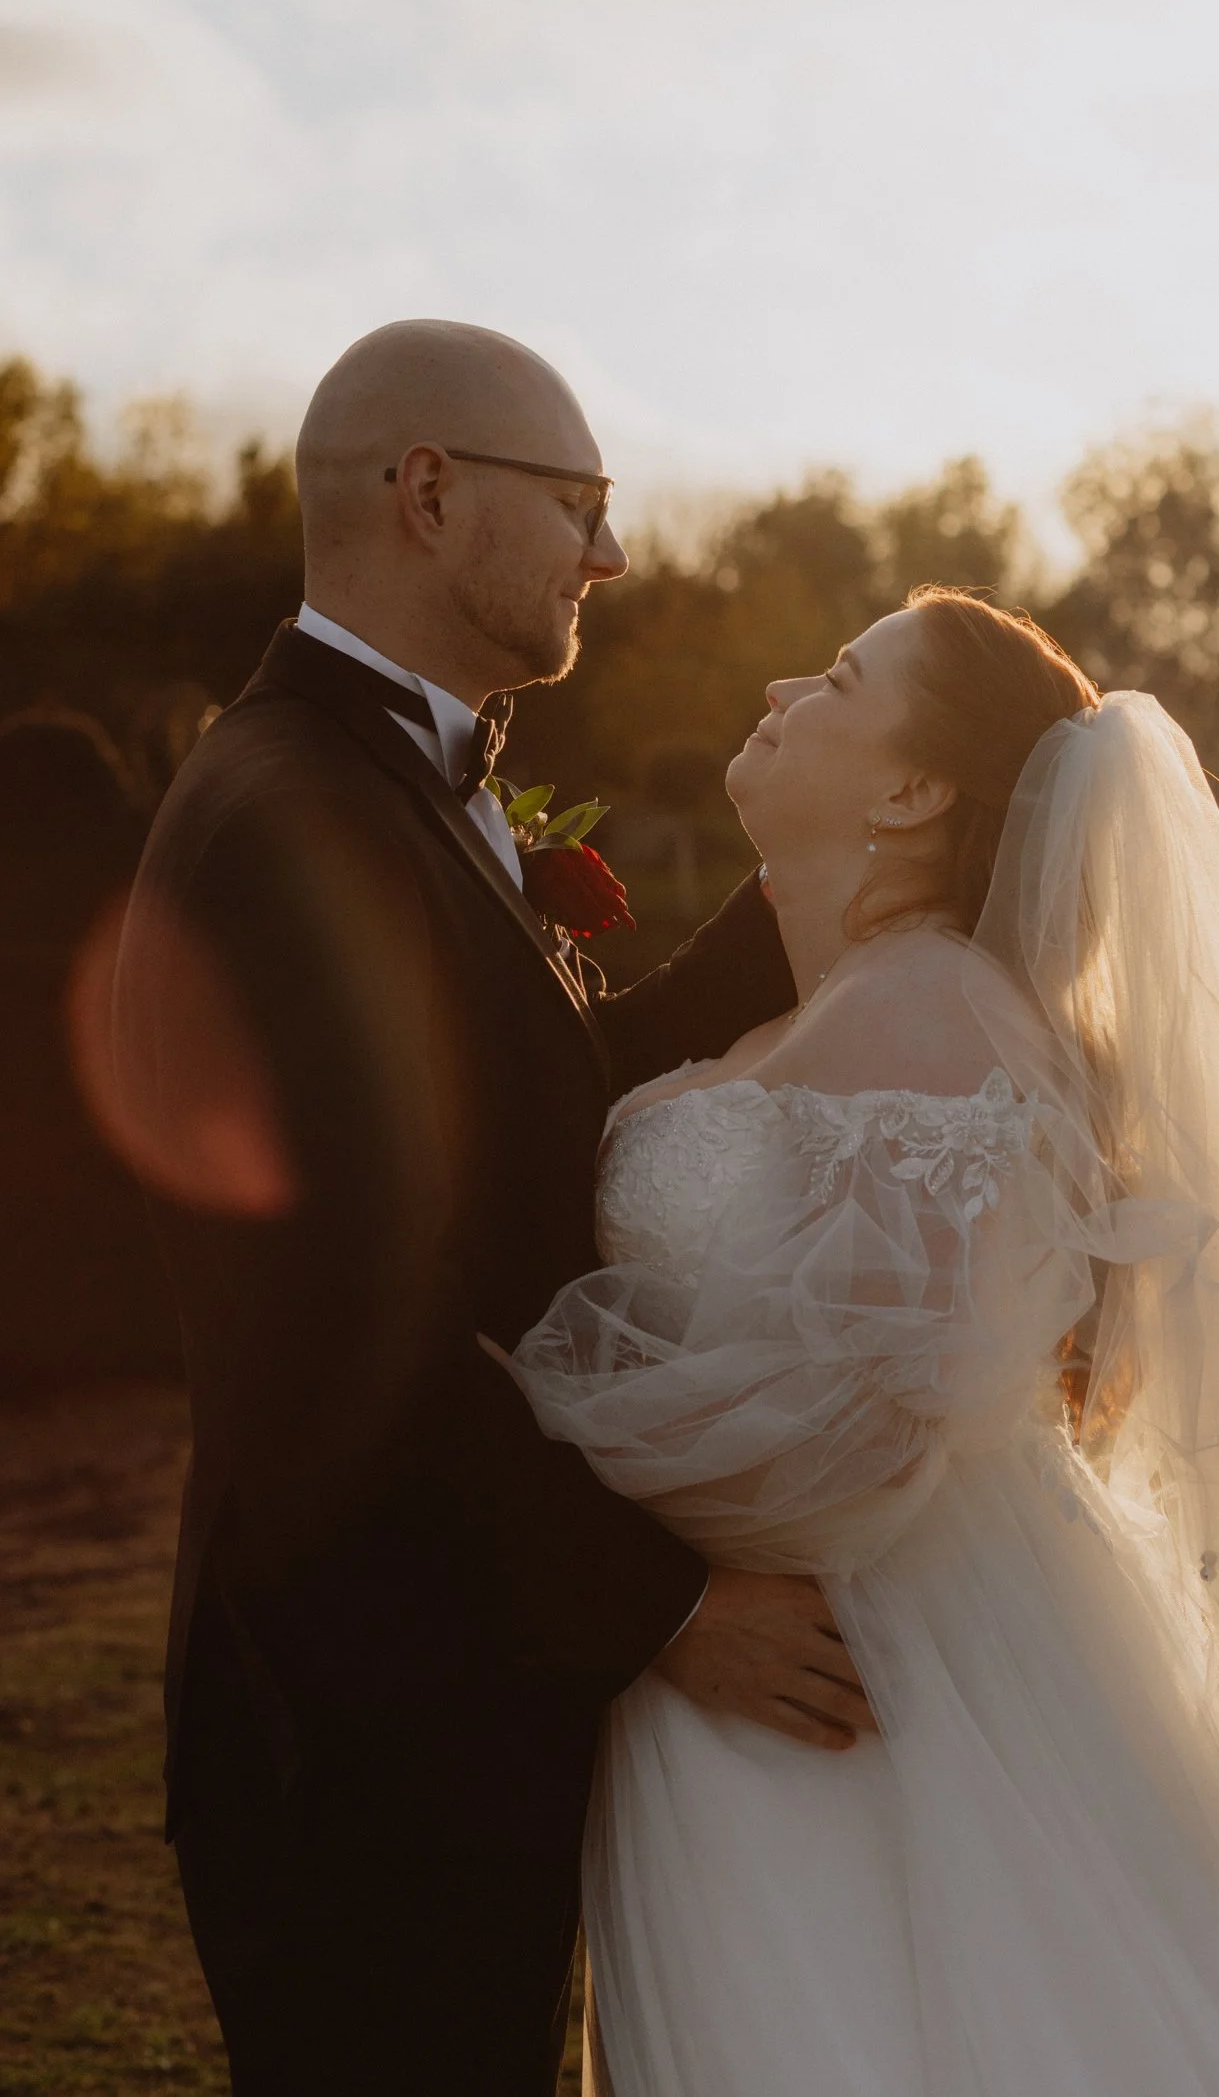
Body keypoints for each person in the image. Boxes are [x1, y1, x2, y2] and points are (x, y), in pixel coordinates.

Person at [507, 586, 1219, 2097]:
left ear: (915, 789)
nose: (784, 680)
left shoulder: (937, 1010)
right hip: (789, 1680)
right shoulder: (843, 1007)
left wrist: (596, 1521)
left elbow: (896, 1415)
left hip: (872, 1692)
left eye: (839, 675)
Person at [113, 320, 874, 2097]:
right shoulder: (292, 816)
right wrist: (671, 1608)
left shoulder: (387, 789)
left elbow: (550, 1120)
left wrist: (834, 873)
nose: (610, 556)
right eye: (584, 503)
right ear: (431, 494)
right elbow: (331, 1338)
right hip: (360, 1740)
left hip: (433, 1707)